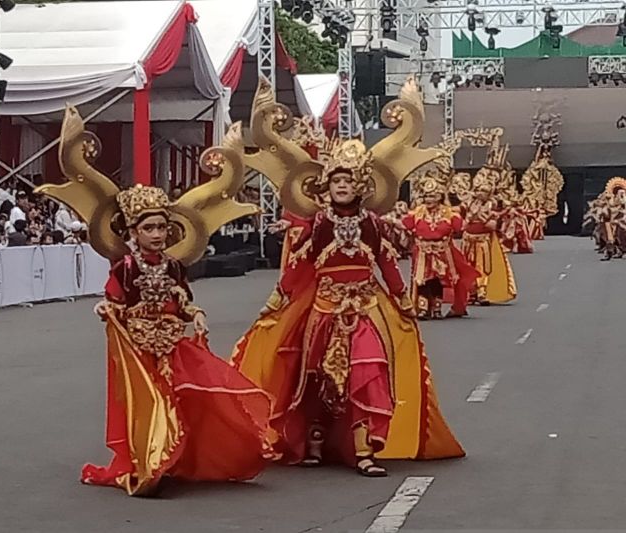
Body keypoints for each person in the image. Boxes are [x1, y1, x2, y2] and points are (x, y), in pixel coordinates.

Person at [232, 80, 464, 478]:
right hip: (323, 307)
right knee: (316, 374)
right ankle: (316, 445)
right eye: (336, 181)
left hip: (366, 305)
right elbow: (301, 265)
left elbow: (385, 263)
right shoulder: (319, 224)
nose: (342, 187)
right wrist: (278, 299)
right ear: (327, 186)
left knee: (368, 369)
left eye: (348, 181)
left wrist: (401, 298)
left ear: (360, 186)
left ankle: (365, 451)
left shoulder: (372, 224)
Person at [36, 107, 270, 496]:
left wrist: (197, 316)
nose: (158, 234)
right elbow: (113, 299)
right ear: (133, 231)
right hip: (139, 348)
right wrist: (106, 309)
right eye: (149, 228)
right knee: (150, 403)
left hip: (172, 344)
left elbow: (184, 302)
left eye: (162, 226)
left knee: (184, 400)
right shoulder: (126, 267)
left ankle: (172, 459)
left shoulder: (175, 265)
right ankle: (150, 462)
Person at [402, 171, 480, 319]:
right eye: (426, 196)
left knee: (438, 280)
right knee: (423, 279)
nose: (428, 199)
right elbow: (405, 224)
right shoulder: (418, 212)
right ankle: (424, 308)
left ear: (439, 197)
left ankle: (437, 308)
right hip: (423, 253)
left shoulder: (449, 213)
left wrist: (471, 217)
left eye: (432, 196)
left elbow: (460, 227)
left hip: (442, 253)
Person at [460, 174, 517, 305]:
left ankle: (482, 292)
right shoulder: (468, 205)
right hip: (468, 240)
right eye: (479, 190)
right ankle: (470, 292)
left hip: (483, 241)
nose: (481, 194)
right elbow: (461, 223)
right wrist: (470, 217)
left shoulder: (491, 207)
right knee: (467, 266)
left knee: (483, 266)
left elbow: (492, 226)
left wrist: (481, 216)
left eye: (484, 191)